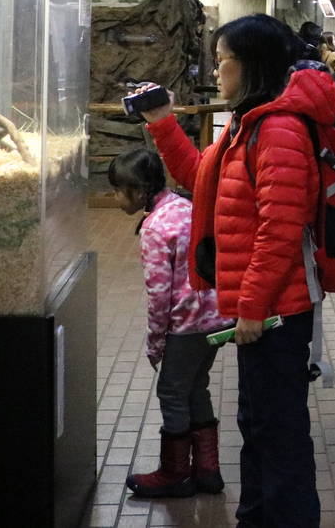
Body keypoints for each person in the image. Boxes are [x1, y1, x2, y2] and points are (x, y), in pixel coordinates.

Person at [139, 14, 331, 526]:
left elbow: (281, 230)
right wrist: (161, 120)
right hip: (258, 309)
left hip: (276, 312)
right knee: (258, 423)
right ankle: (256, 517)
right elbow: (201, 179)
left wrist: (251, 306)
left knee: (279, 429)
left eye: (223, 61)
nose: (217, 71)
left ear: (251, 66)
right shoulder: (249, 123)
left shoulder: (280, 129)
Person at [110, 148, 226, 498]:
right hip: (215, 320)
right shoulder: (184, 206)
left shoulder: (155, 228)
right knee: (196, 388)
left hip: (186, 325)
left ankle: (176, 473)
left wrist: (155, 343)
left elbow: (159, 296)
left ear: (138, 190)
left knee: (171, 391)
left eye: (118, 190)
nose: (115, 197)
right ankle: (208, 472)